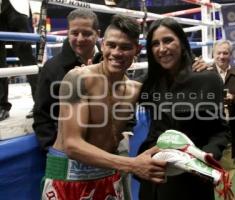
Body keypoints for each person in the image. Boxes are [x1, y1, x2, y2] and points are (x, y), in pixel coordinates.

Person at [41, 14, 167, 200]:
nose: (117, 52)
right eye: (112, 45)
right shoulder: (79, 78)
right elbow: (72, 145)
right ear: (102, 44)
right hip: (68, 176)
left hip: (108, 176)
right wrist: (133, 165)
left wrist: (196, 67)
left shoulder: (135, 90)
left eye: (125, 47)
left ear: (137, 50)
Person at [137, 17, 229, 200]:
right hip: (153, 178)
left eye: (168, 40)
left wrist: (207, 156)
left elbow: (220, 131)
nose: (162, 49)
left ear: (182, 42)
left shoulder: (207, 79)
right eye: (155, 43)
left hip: (191, 182)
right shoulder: (149, 82)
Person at [33, 8, 102, 151]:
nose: (80, 38)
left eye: (87, 33)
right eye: (75, 33)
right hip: (66, 151)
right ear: (68, 33)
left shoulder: (110, 63)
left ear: (98, 34)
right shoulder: (52, 68)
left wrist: (124, 133)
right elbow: (42, 114)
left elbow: (122, 102)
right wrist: (52, 150)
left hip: (105, 146)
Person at [208, 40, 235, 181]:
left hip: (232, 129)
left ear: (230, 55)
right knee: (210, 169)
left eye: (225, 53)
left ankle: (226, 191)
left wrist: (233, 98)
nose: (221, 56)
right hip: (210, 129)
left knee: (229, 169)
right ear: (213, 55)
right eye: (218, 53)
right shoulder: (206, 74)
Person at [0, 0, 40, 121]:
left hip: (17, 7)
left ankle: (40, 104)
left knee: (25, 54)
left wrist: (36, 10)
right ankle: (2, 107)